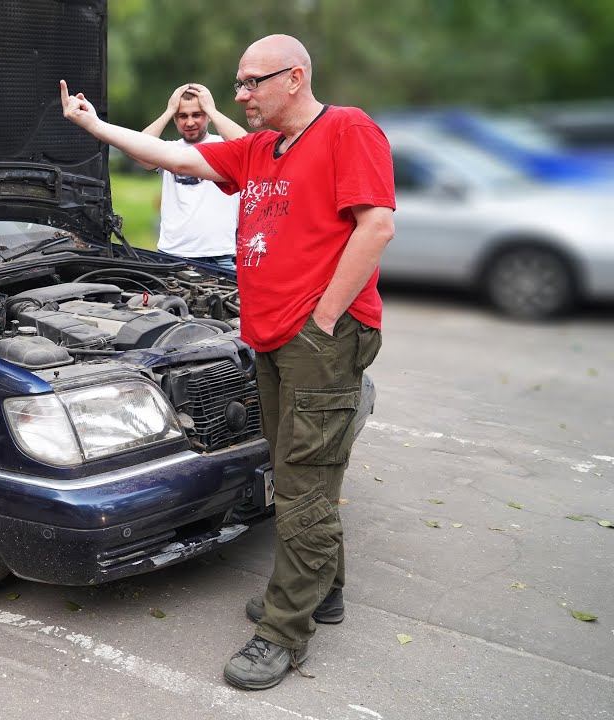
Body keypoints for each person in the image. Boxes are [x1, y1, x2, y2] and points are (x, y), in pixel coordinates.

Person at [61, 33, 394, 690]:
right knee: (297, 464)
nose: (240, 95)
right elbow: (168, 152)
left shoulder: (347, 130)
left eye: (251, 83)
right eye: (237, 84)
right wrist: (96, 126)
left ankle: (283, 630)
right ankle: (320, 589)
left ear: (293, 78)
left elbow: (376, 224)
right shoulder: (259, 150)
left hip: (318, 340)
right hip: (270, 338)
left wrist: (324, 316)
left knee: (301, 479)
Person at [136, 83, 247, 269]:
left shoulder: (224, 146)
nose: (189, 122)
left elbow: (246, 146)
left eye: (197, 114)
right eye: (182, 116)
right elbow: (140, 152)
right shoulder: (169, 150)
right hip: (172, 255)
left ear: (208, 117)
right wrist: (168, 110)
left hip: (221, 256)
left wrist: (211, 109)